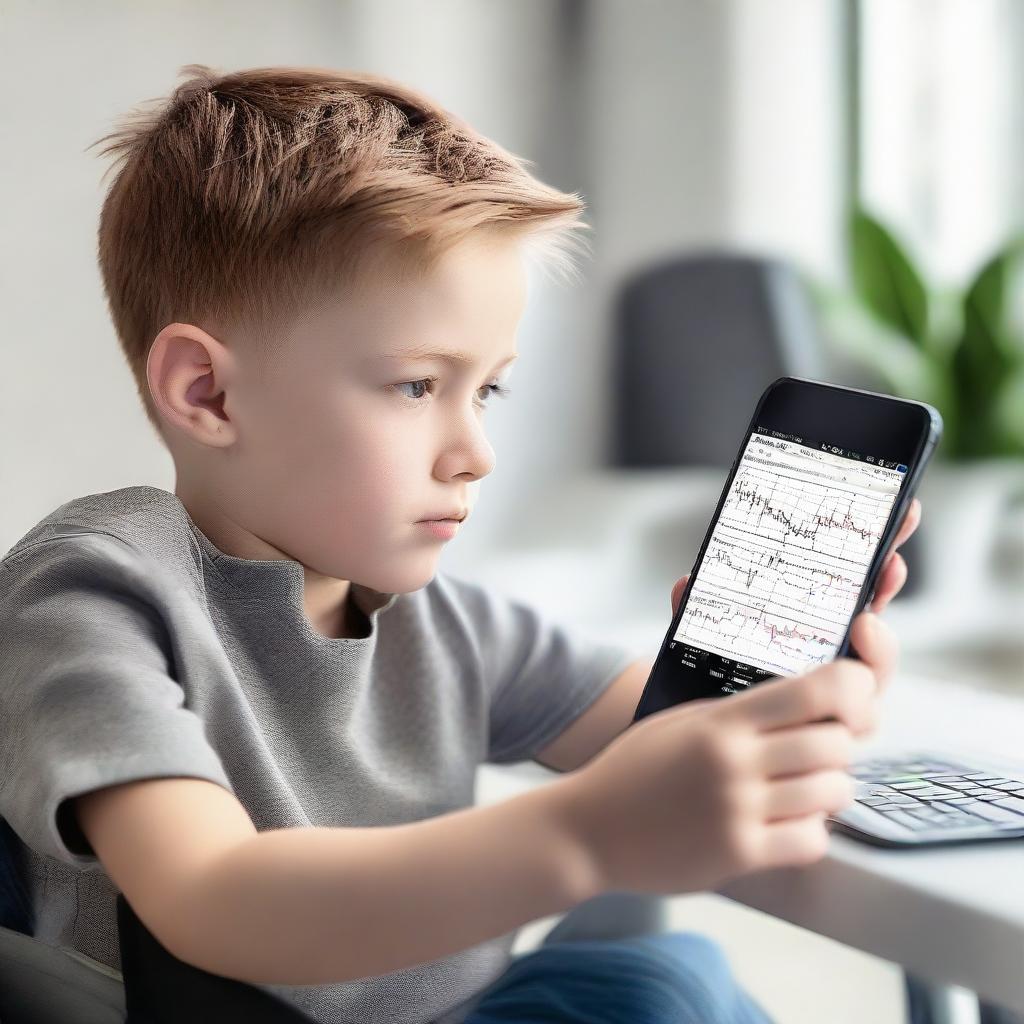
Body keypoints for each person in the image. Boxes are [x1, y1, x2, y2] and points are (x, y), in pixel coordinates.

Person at [0, 64, 920, 1024]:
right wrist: (582, 838)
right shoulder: (90, 596)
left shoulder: (441, 624)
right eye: (415, 386)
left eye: (488, 390)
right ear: (208, 394)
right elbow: (214, 895)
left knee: (658, 964)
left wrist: (781, 685)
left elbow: (665, 746)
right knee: (655, 988)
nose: (476, 454)